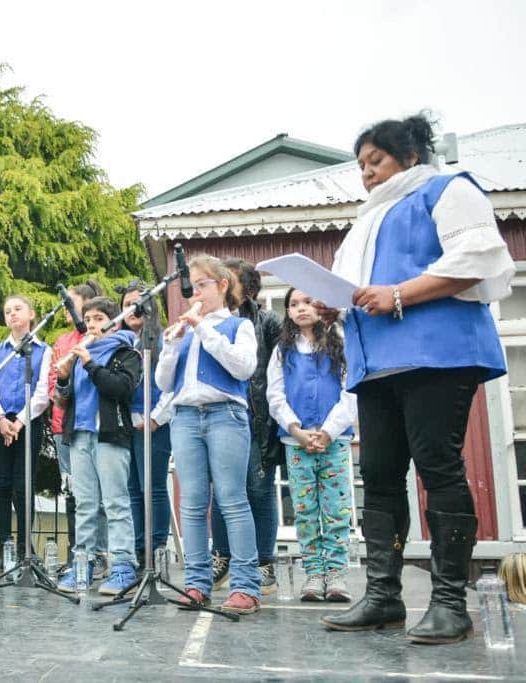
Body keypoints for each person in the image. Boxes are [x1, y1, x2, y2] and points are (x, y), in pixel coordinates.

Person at [320, 114, 514, 644]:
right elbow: (357, 290)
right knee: (380, 475)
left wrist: (399, 293)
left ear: (409, 156)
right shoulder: (366, 221)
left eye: (375, 161)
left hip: (437, 354)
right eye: (360, 166)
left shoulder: (445, 188)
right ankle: (383, 597)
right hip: (377, 362)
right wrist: (329, 300)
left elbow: (479, 258)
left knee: (438, 467)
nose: (366, 174)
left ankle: (451, 603)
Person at [155, 255, 261, 615]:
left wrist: (202, 328)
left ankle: (246, 585)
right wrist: (171, 346)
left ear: (222, 285)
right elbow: (163, 383)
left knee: (232, 499)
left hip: (225, 414)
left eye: (202, 285)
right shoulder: (183, 330)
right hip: (185, 417)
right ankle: (197, 583)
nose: (195, 292)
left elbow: (243, 368)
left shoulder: (238, 326)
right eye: (191, 287)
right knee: (192, 503)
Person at [266, 288, 357, 601]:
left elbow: (351, 391)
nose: (301, 308)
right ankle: (314, 572)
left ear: (321, 306)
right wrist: (297, 430)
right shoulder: (282, 350)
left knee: (336, 507)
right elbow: (275, 396)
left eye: (307, 302)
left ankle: (336, 572)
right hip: (297, 441)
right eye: (293, 304)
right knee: (305, 509)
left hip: (334, 440)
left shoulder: (340, 342)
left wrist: (329, 431)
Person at [54, 297, 141, 595]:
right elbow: (65, 401)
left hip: (110, 434)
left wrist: (89, 364)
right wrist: (64, 380)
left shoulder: (126, 352)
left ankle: (123, 566)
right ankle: (84, 563)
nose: (91, 325)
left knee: (115, 503)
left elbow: (120, 388)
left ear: (114, 321)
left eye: (98, 318)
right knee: (86, 504)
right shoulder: (80, 355)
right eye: (88, 319)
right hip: (80, 434)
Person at [208, 259, 284, 594]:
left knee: (258, 490)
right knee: (223, 490)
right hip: (222, 417)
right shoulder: (212, 322)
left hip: (258, 419)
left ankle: (263, 562)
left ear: (249, 289)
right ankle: (222, 557)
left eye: (230, 280)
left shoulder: (266, 321)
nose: (221, 284)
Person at [0, 294, 53, 575]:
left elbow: (42, 391)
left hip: (28, 422)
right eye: (7, 310)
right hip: (0, 423)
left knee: (23, 484)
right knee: (1, 484)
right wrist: (0, 418)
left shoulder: (43, 350)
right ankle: (4, 548)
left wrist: (20, 422)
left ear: (31, 314)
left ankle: (26, 548)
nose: (12, 314)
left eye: (18, 309)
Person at [48, 280, 110, 576]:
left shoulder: (103, 339)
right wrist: (60, 381)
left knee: (101, 498)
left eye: (70, 303)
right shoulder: (62, 341)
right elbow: (55, 385)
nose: (67, 309)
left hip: (99, 426)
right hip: (66, 427)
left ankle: (101, 554)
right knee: (77, 495)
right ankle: (80, 555)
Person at [118, 282, 174, 566]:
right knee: (132, 488)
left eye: (139, 303)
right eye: (127, 304)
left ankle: (157, 546)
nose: (133, 309)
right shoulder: (121, 342)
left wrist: (155, 418)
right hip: (127, 424)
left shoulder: (162, 340)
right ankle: (139, 547)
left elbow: (172, 386)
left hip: (154, 424)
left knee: (152, 487)